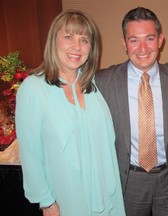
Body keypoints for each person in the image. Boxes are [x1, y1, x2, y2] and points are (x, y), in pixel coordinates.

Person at [15, 9, 125, 216]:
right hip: (66, 197)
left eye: (84, 40)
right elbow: (30, 155)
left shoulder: (93, 84)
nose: (77, 46)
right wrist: (46, 202)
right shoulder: (33, 88)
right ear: (53, 41)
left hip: (107, 194)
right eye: (68, 37)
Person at [95, 7, 168, 216]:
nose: (142, 48)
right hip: (128, 181)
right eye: (133, 40)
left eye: (149, 38)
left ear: (160, 40)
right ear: (124, 44)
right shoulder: (103, 81)